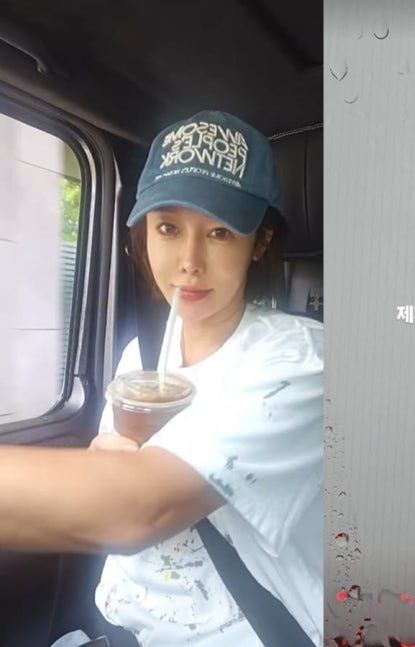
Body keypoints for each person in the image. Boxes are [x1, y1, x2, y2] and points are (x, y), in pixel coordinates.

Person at [1, 110, 323, 646]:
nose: (189, 262)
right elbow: (117, 483)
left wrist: (119, 487)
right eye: (168, 228)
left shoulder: (301, 362)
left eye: (220, 232)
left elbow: (137, 508)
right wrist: (105, 465)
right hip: (117, 627)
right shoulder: (142, 353)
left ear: (260, 242)